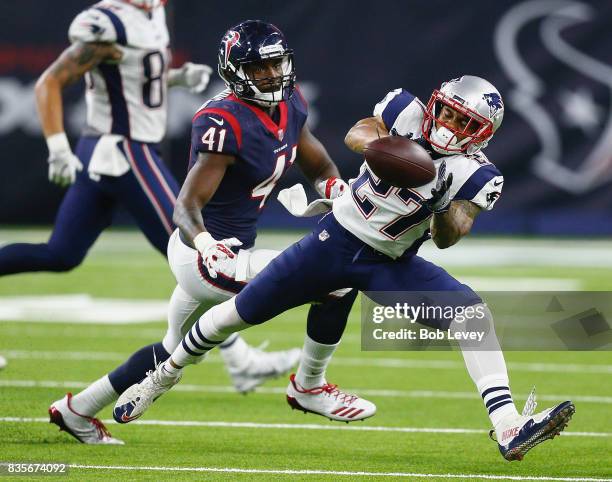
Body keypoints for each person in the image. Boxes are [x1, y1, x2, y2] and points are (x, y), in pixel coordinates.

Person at [115, 75, 575, 461]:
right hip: (332, 242)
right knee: (234, 315)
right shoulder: (406, 113)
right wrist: (394, 152)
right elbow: (358, 133)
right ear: (436, 104)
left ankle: (508, 424)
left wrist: (438, 200)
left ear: (481, 134)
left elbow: (449, 235)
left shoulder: (476, 174)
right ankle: (162, 377)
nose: (450, 125)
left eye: (463, 121)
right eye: (448, 112)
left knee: (472, 316)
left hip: (389, 263)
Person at [9, 1, 304, 445]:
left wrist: (171, 80)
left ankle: (77, 409)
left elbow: (135, 77)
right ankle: (245, 358)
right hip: (125, 147)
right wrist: (56, 145)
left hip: (120, 147)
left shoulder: (152, 13)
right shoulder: (106, 20)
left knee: (62, 253)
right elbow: (52, 80)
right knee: (194, 241)